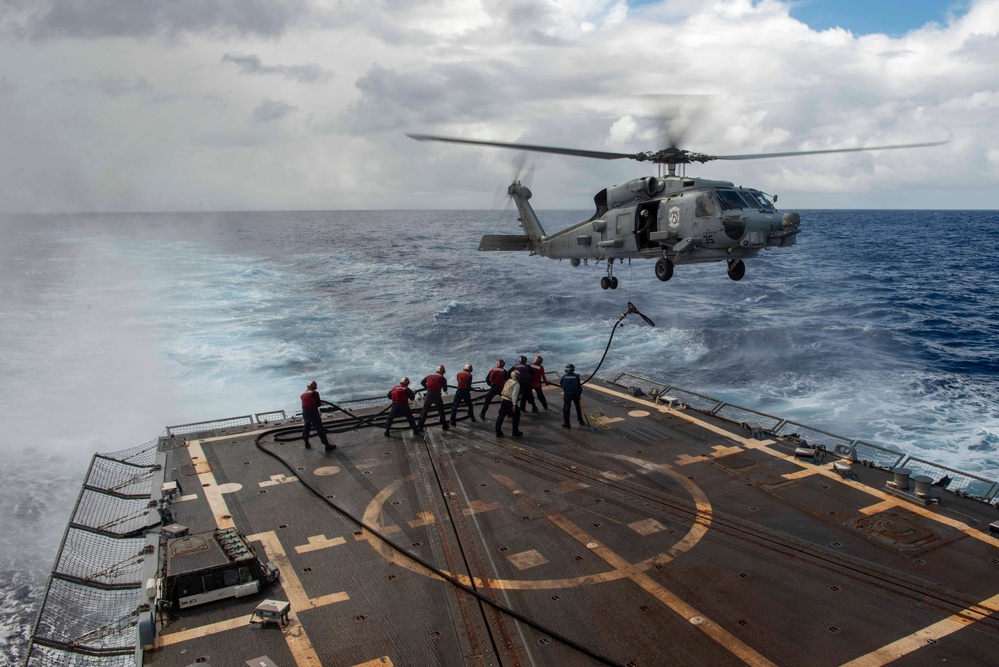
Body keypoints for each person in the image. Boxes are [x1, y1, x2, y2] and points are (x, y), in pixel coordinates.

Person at [301, 381, 335, 450]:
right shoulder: (315, 393)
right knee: (320, 429)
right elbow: (318, 404)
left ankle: (306, 443)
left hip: (305, 413)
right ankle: (327, 445)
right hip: (313, 413)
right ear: (314, 387)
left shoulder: (302, 395)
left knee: (306, 427)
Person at [418, 365, 449, 431]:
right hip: (437, 395)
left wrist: (427, 387)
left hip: (429, 394)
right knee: (441, 410)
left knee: (424, 411)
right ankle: (444, 425)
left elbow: (422, 382)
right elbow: (445, 389)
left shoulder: (429, 376)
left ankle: (420, 426)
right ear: (442, 371)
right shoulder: (442, 379)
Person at [495, 370, 524, 438]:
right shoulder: (516, 384)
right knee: (517, 415)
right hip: (510, 401)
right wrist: (514, 404)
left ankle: (498, 432)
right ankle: (515, 432)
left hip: (503, 400)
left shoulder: (508, 381)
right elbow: (514, 395)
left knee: (501, 416)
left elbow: (504, 390)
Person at [560, 364, 585, 428]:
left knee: (566, 408)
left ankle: (567, 423)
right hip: (575, 394)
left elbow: (561, 385)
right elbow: (579, 386)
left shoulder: (563, 377)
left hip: (567, 394)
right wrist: (579, 394)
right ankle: (581, 420)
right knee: (578, 407)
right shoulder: (576, 376)